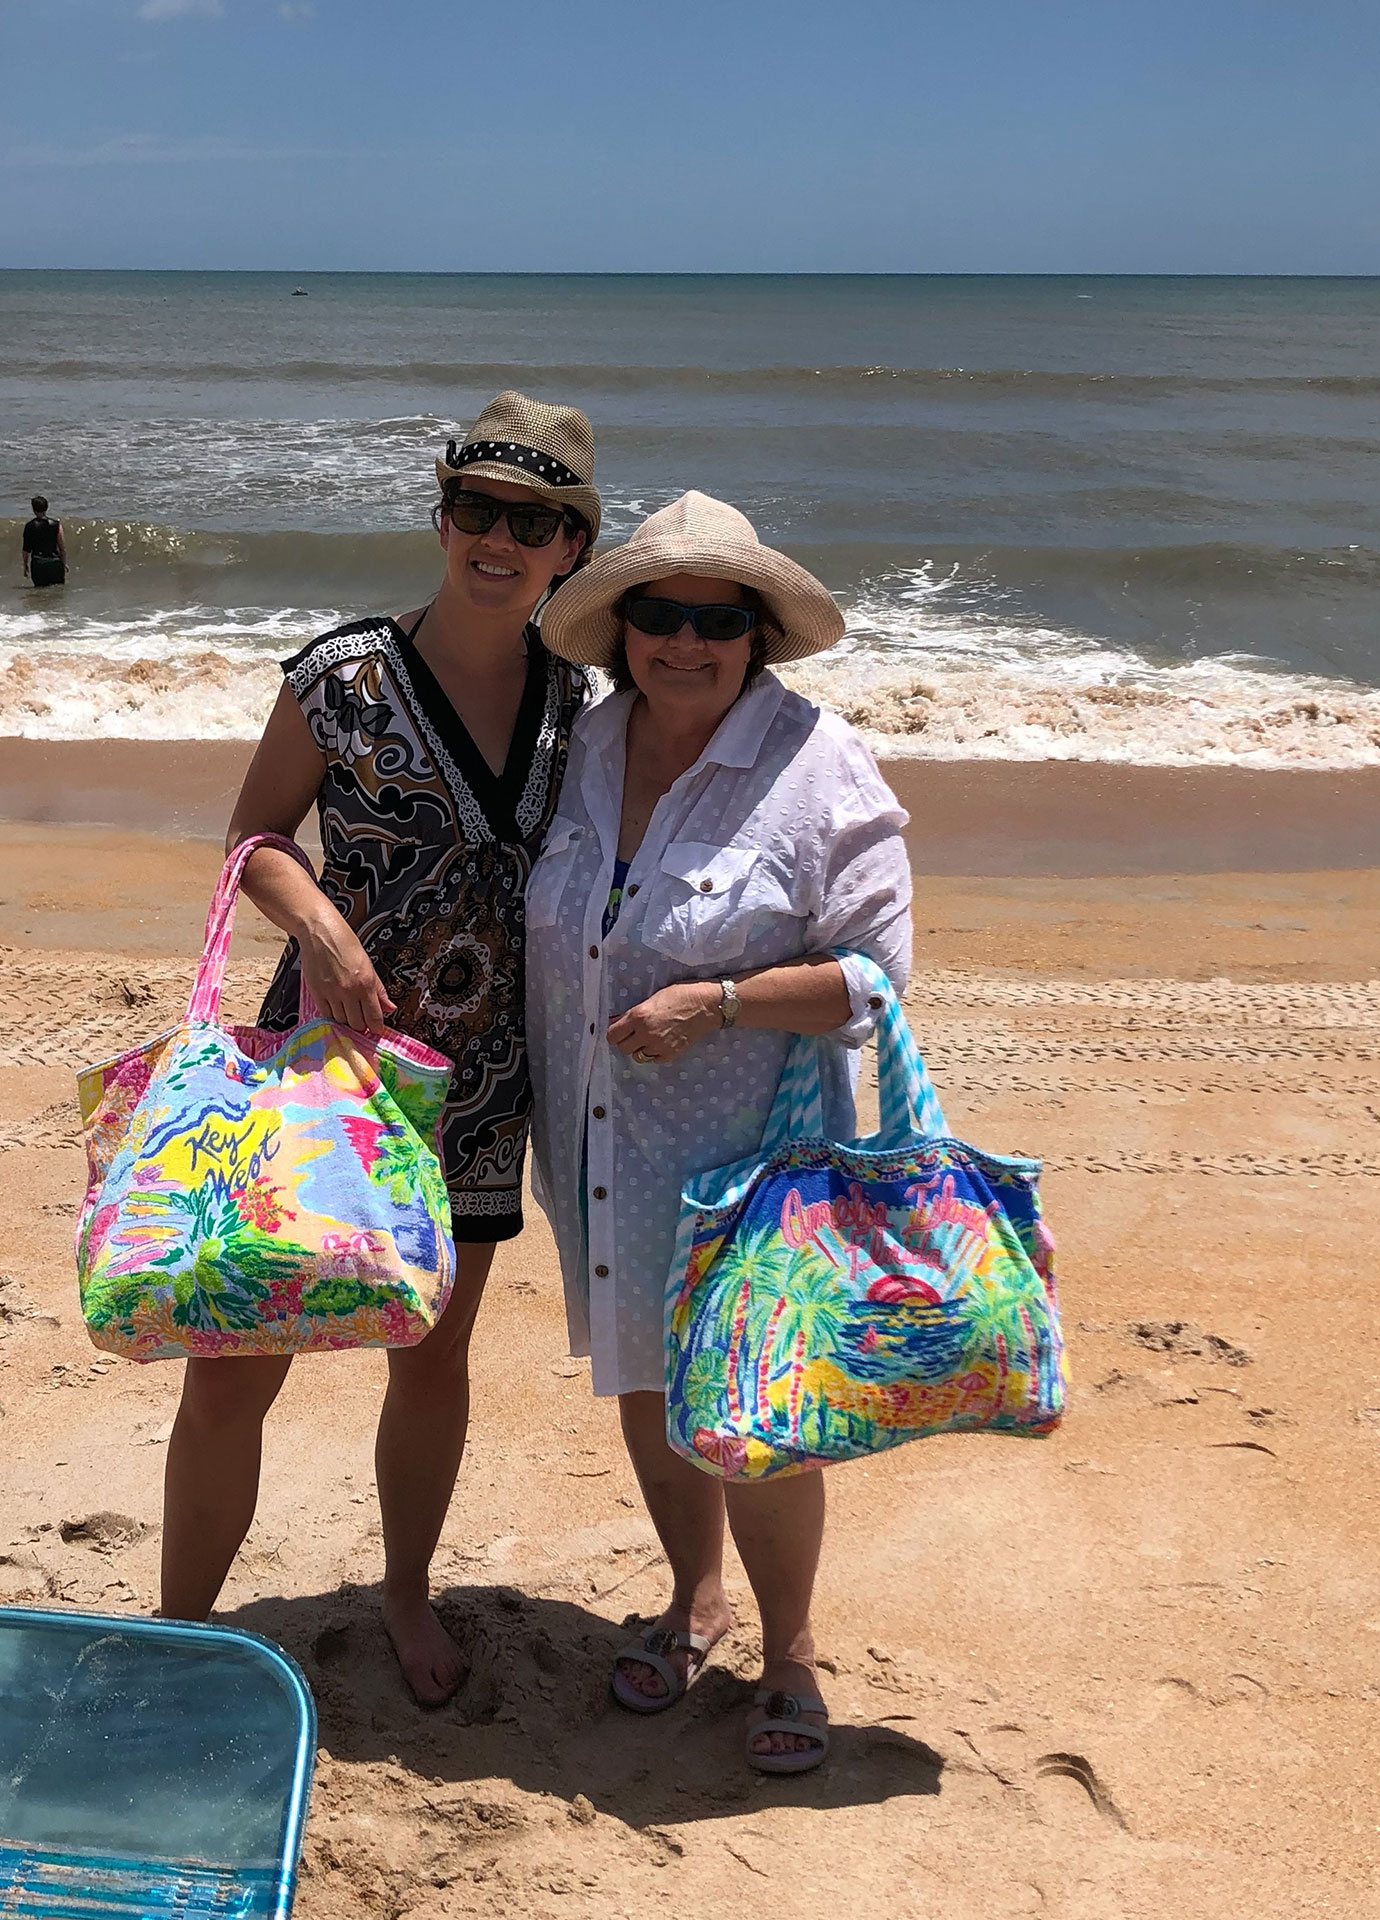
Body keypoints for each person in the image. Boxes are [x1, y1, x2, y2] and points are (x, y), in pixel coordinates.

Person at [160, 393, 599, 1706]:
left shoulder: (587, 704)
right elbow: (254, 841)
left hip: (481, 1086)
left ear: (573, 547)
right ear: (442, 516)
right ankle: (182, 1626)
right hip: (324, 1072)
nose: (498, 541)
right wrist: (328, 936)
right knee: (238, 1357)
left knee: (431, 1356)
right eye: (477, 510)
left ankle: (406, 1594)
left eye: (534, 522)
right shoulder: (341, 674)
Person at [524, 491, 913, 1775]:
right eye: (659, 615)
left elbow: (873, 982)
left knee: (752, 1409)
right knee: (645, 1376)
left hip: (749, 1165)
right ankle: (696, 1598)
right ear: (621, 627)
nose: (683, 643)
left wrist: (721, 1000)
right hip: (597, 1147)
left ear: (757, 638)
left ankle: (789, 1649)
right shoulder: (587, 745)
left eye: (716, 621)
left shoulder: (818, 764)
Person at [22, 495, 67, 586]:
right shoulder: (56, 525)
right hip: (55, 562)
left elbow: (26, 550)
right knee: (57, 593)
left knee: (40, 593)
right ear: (47, 508)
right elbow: (62, 548)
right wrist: (64, 563)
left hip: (39, 564)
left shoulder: (29, 526)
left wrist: (25, 566)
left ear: (33, 509)